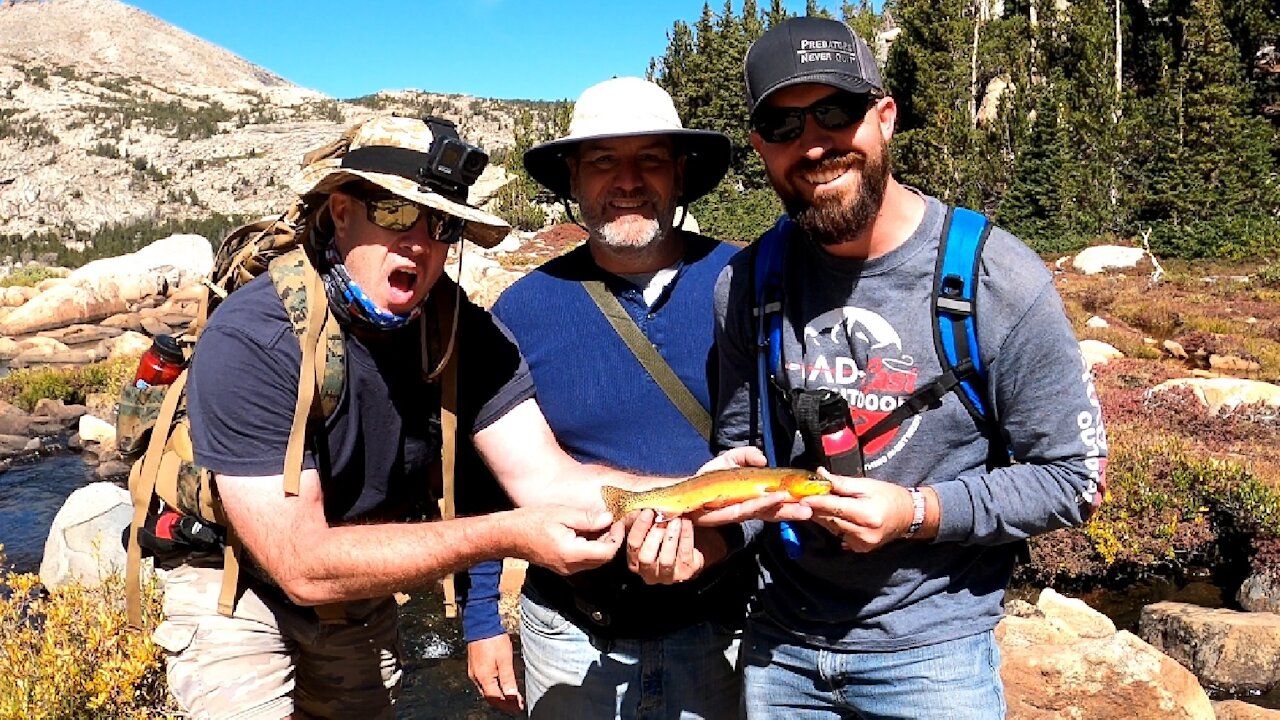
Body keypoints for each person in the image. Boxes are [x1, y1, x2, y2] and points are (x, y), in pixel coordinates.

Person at [152, 115, 661, 719]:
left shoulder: (461, 333)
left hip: (360, 567)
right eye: (394, 213)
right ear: (341, 213)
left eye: (441, 224)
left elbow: (547, 480)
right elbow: (300, 565)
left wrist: (716, 490)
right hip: (232, 575)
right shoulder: (254, 337)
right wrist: (506, 535)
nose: (419, 242)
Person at [705, 17, 1109, 719]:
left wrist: (916, 513)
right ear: (759, 148)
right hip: (780, 652)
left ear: (884, 116)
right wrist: (716, 510)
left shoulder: (996, 277)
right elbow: (742, 453)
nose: (814, 143)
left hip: (936, 660)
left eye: (836, 110)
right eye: (783, 124)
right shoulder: (745, 284)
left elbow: (1074, 481)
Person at [459, 77, 751, 719]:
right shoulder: (523, 309)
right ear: (571, 176)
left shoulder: (748, 283)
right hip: (569, 635)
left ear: (679, 173)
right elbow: (483, 476)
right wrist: (481, 620)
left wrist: (729, 540)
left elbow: (783, 446)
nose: (627, 180)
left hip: (724, 629)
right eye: (602, 162)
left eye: (649, 158)